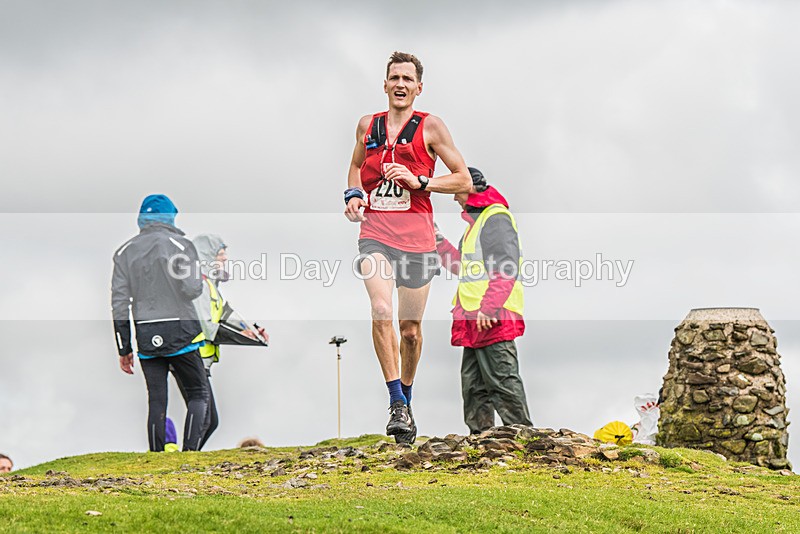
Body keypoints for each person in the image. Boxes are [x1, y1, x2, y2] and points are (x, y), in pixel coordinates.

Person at [344, 51, 471, 443]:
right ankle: (396, 402)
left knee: (411, 331)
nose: (400, 84)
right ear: (385, 85)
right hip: (376, 235)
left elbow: (463, 179)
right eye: (394, 78)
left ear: (418, 88)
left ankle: (408, 399)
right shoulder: (368, 125)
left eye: (407, 79)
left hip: (418, 241)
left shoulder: (431, 127)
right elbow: (354, 165)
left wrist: (420, 181)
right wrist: (352, 194)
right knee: (381, 308)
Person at [435, 168, 533, 434]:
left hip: (492, 315)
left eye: (455, 189)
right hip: (475, 316)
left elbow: (506, 265)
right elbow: (463, 267)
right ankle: (481, 439)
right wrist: (439, 243)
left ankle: (521, 436)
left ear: (468, 187)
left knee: (502, 380)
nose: (453, 197)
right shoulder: (477, 225)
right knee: (474, 385)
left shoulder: (496, 218)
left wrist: (490, 306)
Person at [111, 194, 210, 452]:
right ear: (171, 216)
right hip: (181, 332)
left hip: (146, 334)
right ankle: (190, 454)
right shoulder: (182, 245)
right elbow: (191, 289)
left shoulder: (123, 252)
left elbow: (119, 304)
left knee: (157, 400)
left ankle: (155, 458)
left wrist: (124, 348)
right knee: (199, 394)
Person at [173, 234, 268, 450]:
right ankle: (187, 459)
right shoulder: (199, 286)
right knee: (206, 419)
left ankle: (189, 457)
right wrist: (243, 337)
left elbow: (224, 316)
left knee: (210, 421)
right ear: (207, 256)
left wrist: (252, 331)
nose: (225, 259)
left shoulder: (210, 286)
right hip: (192, 358)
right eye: (221, 254)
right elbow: (208, 327)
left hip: (202, 361)